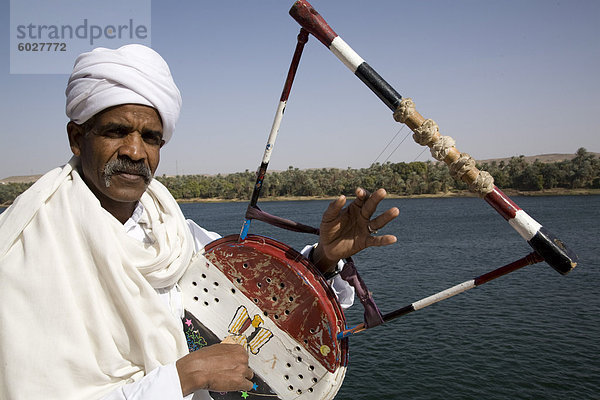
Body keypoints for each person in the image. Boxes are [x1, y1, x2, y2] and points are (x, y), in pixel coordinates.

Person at [0, 44, 399, 400]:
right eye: (117, 131)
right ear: (77, 137)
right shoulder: (25, 253)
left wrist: (325, 260)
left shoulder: (172, 232)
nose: (136, 151)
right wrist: (183, 377)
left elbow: (250, 293)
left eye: (151, 138)